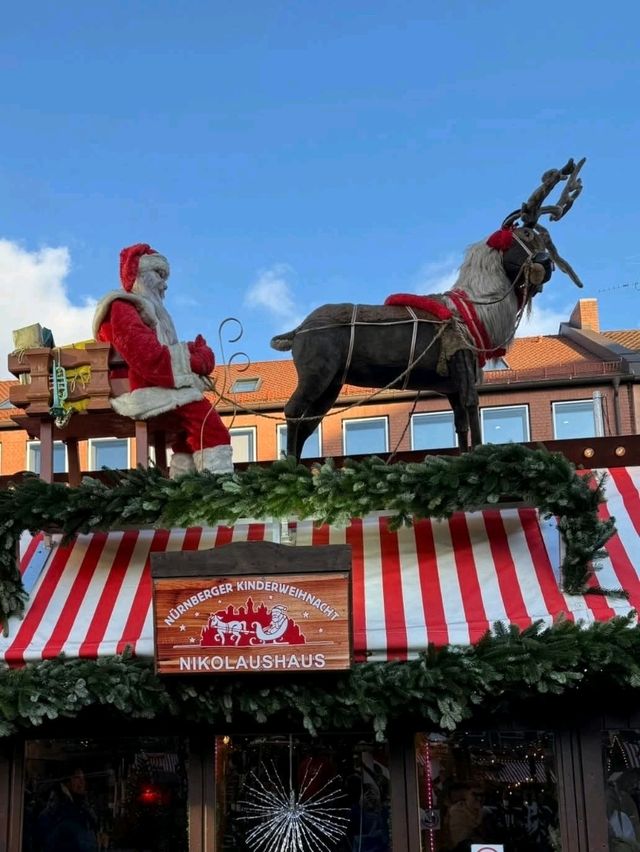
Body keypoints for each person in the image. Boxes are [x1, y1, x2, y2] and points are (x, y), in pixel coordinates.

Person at [93, 243, 233, 478]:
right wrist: (196, 359)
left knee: (187, 429)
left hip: (147, 384)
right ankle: (218, 484)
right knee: (204, 418)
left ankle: (185, 486)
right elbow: (149, 359)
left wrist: (190, 351)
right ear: (141, 275)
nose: (164, 284)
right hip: (135, 390)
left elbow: (156, 355)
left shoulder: (139, 309)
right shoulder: (122, 307)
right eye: (159, 275)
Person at [43, 769, 98, 852]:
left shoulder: (83, 804)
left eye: (83, 779)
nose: (82, 782)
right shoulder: (58, 805)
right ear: (67, 782)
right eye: (77, 778)